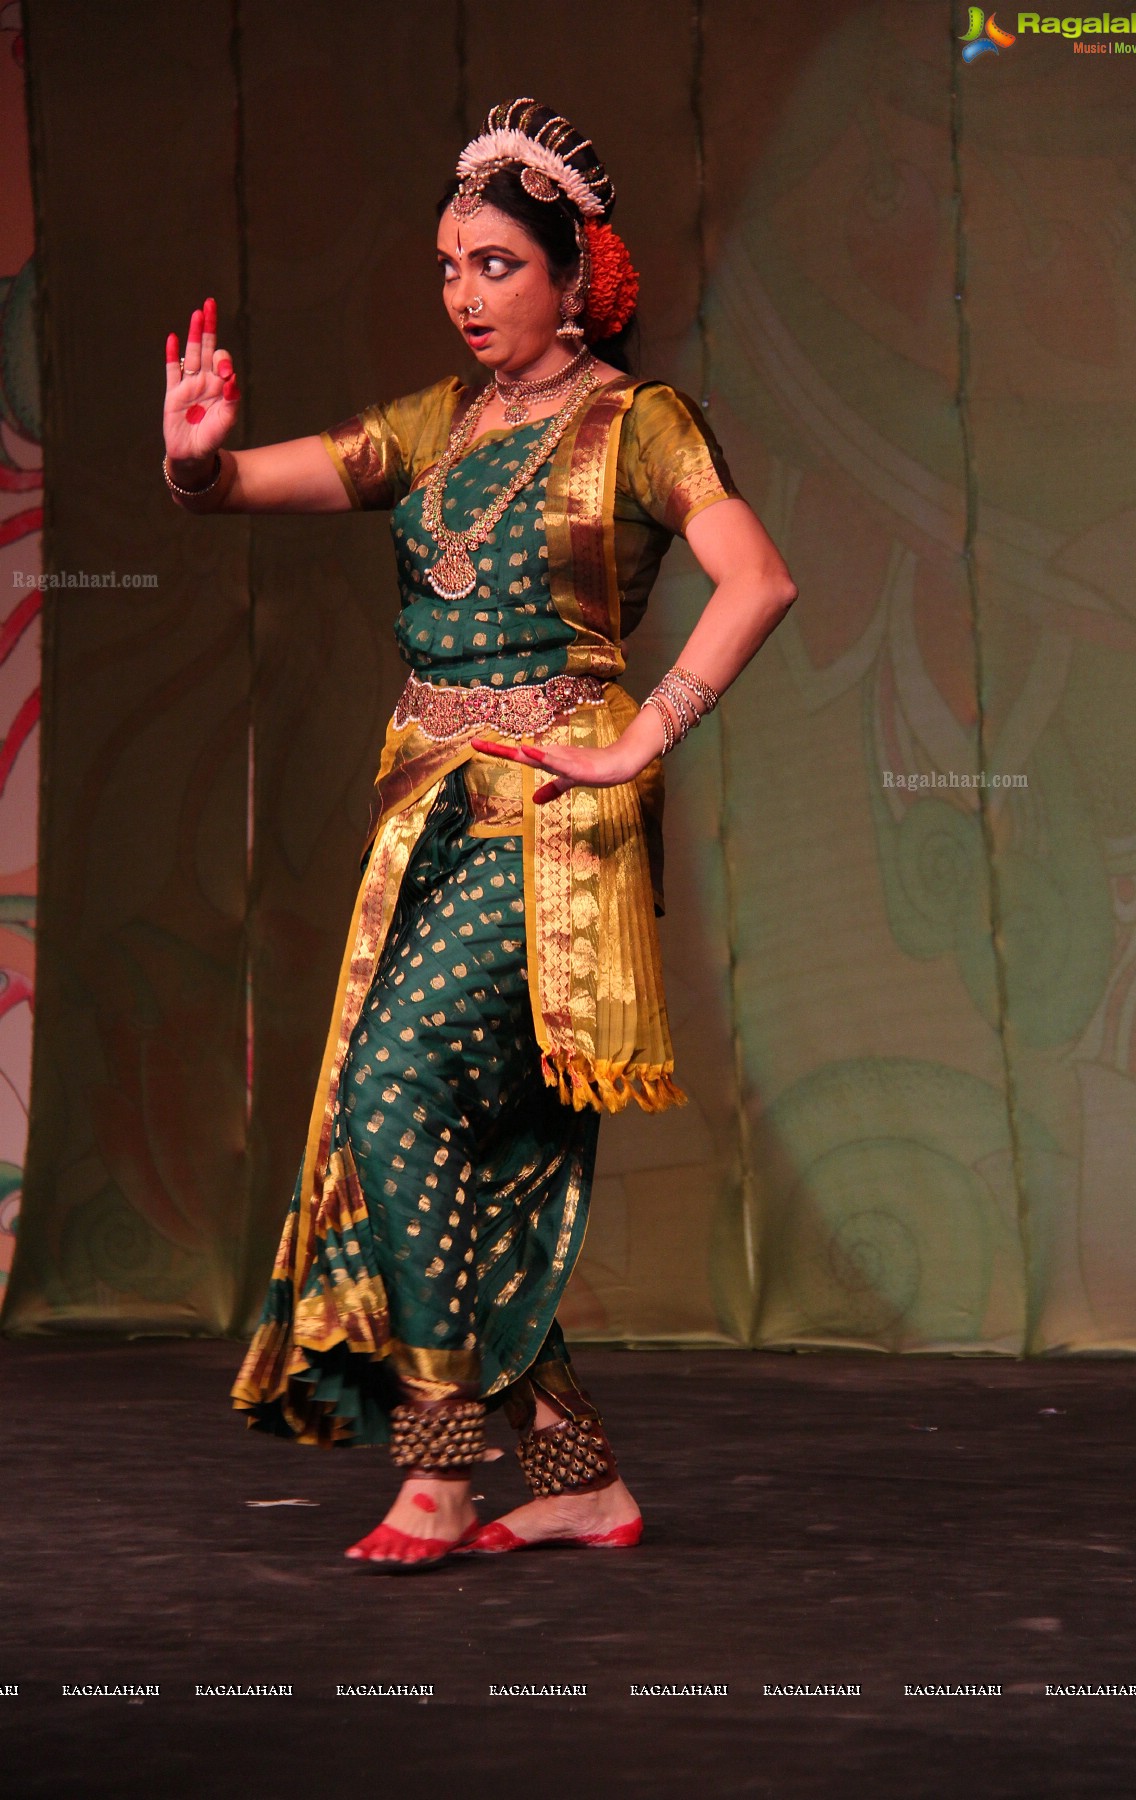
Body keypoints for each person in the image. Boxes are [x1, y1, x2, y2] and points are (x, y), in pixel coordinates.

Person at [162, 98, 796, 1572]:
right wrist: (198, 457)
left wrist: (644, 736)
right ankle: (573, 1470)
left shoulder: (644, 424)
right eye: (451, 264)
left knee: (395, 1083)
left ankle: (440, 1469)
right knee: (441, 1137)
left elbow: (756, 580)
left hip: (550, 821)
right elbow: (260, 482)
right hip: (424, 816)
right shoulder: (438, 425)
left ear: (578, 280)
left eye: (499, 263)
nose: (466, 291)